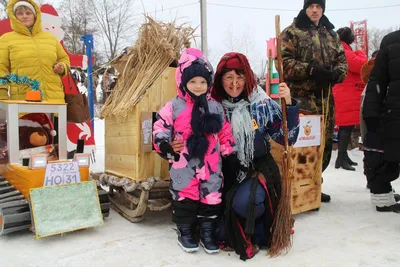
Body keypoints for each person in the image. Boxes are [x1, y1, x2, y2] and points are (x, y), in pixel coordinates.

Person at [210, 52, 299, 260]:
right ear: (220, 78)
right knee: (219, 232)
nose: (234, 83)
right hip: (225, 171)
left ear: (248, 77)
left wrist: (289, 103)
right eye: (228, 77)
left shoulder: (260, 102)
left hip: (256, 169)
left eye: (239, 76)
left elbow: (287, 137)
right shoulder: (213, 105)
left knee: (244, 203)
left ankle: (260, 229)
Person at [153, 48, 241, 254]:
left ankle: (207, 231)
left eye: (202, 82)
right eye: (193, 82)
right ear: (183, 81)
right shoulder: (173, 106)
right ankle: (185, 231)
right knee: (185, 195)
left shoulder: (215, 107)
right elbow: (160, 127)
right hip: (183, 162)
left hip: (211, 163)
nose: (198, 86)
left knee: (211, 195)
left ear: (209, 83)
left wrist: (230, 154)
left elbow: (224, 133)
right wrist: (165, 145)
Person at [280, 0, 348, 202]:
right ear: (305, 8)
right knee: (302, 144)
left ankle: (315, 183)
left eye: (319, 6)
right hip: (301, 99)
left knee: (324, 144)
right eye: (311, 6)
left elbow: (342, 61)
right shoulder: (292, 32)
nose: (315, 10)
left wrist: (337, 74)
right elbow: (283, 63)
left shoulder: (331, 34)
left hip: (325, 99)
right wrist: (310, 70)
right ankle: (298, 186)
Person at [0, 0, 69, 102]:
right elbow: (1, 68)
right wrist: (2, 93)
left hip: (54, 100)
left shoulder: (50, 38)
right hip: (24, 100)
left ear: (35, 15)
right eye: (20, 13)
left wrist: (62, 67)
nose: (24, 16)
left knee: (55, 118)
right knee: (27, 119)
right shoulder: (6, 39)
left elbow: (64, 59)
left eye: (28, 13)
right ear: (14, 17)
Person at [362, 30, 400, 213]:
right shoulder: (391, 41)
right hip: (394, 110)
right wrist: (371, 112)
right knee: (383, 155)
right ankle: (382, 196)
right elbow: (378, 79)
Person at [332, 27, 367, 171]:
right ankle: (341, 158)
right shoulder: (345, 53)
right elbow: (363, 65)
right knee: (346, 127)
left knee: (347, 127)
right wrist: (359, 51)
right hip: (346, 94)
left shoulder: (341, 51)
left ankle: (343, 157)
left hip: (347, 94)